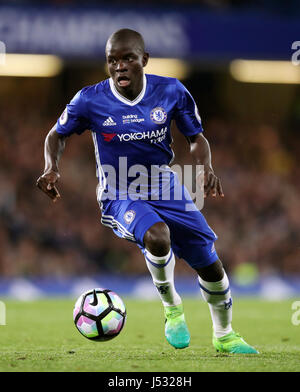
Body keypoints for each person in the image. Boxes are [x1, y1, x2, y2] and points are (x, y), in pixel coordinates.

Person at [37, 28, 258, 354]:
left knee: (210, 264)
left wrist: (206, 168)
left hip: (165, 184)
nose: (119, 66)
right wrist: (51, 166)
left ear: (144, 59)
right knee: (157, 235)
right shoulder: (90, 100)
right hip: (119, 190)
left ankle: (224, 335)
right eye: (112, 60)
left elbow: (195, 137)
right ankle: (172, 308)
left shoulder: (171, 91)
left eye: (127, 58)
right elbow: (56, 135)